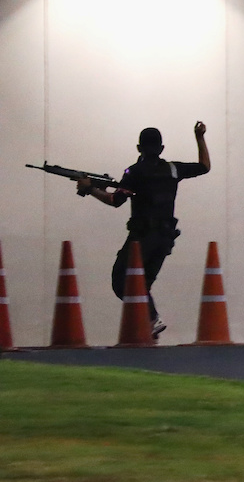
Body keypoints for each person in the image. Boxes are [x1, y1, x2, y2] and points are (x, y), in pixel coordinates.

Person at [78, 122, 211, 339]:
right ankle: (148, 329)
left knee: (122, 281)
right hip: (165, 238)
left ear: (139, 148)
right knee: (143, 285)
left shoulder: (134, 172)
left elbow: (115, 200)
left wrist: (90, 188)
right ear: (162, 148)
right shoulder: (173, 169)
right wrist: (200, 137)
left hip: (142, 239)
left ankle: (151, 320)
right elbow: (204, 166)